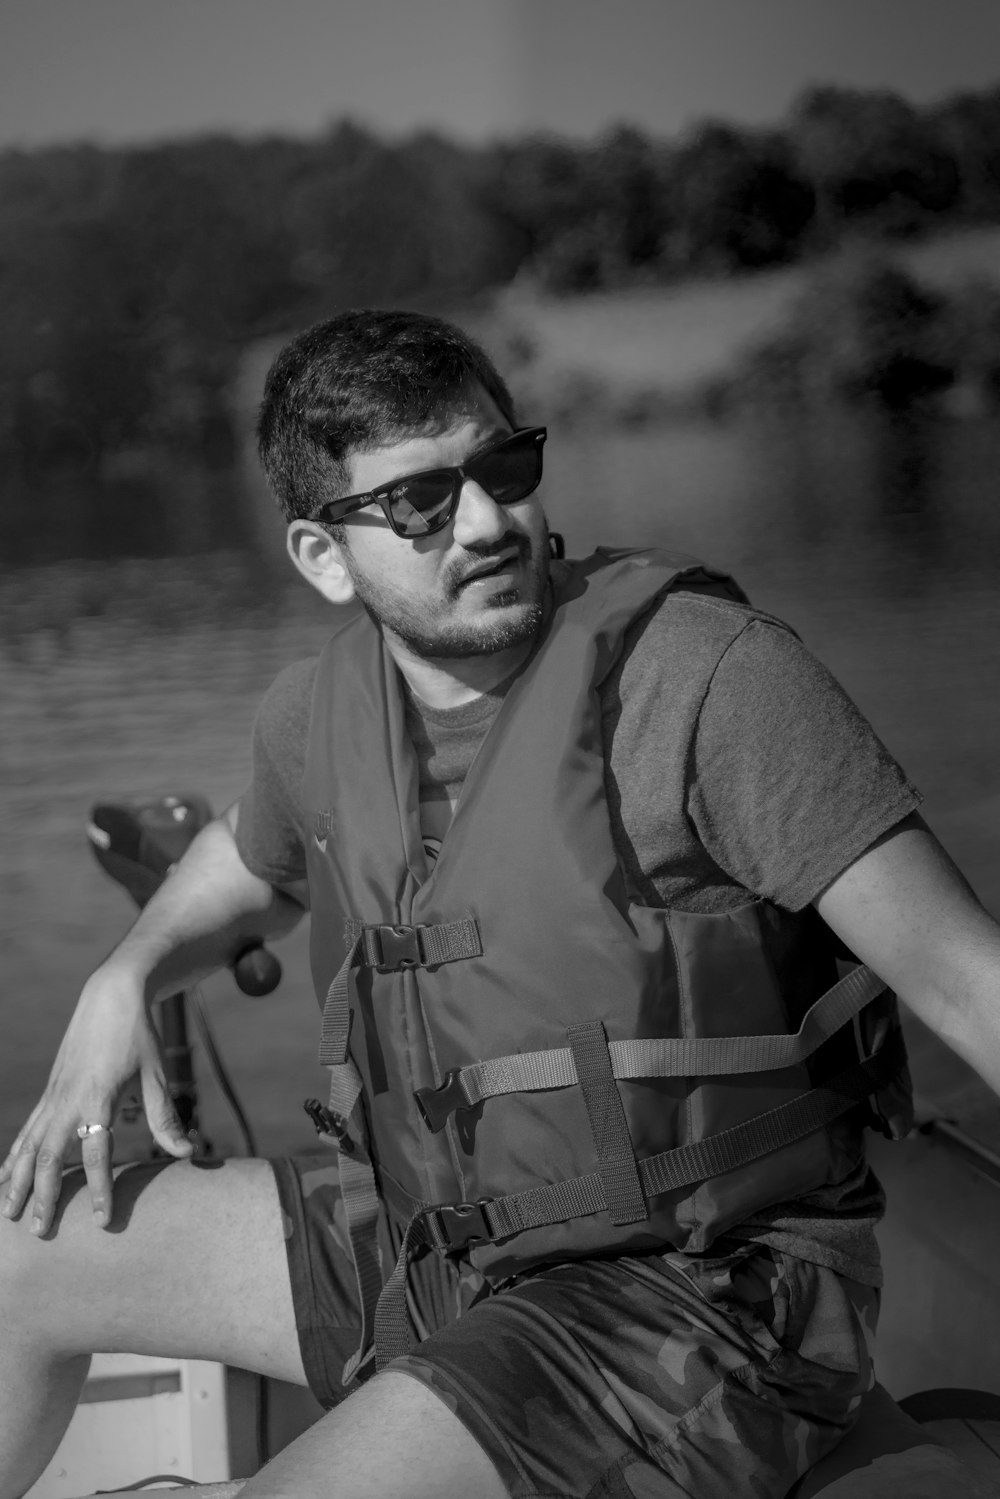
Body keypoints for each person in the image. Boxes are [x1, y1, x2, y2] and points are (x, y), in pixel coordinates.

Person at [3, 309, 1000, 1499]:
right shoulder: (314, 721)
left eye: (504, 467)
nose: (485, 522)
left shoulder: (708, 680)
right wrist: (127, 974)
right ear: (324, 557)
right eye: (419, 502)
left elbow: (967, 983)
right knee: (21, 1250)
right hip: (429, 1239)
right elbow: (246, 858)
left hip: (694, 1290)